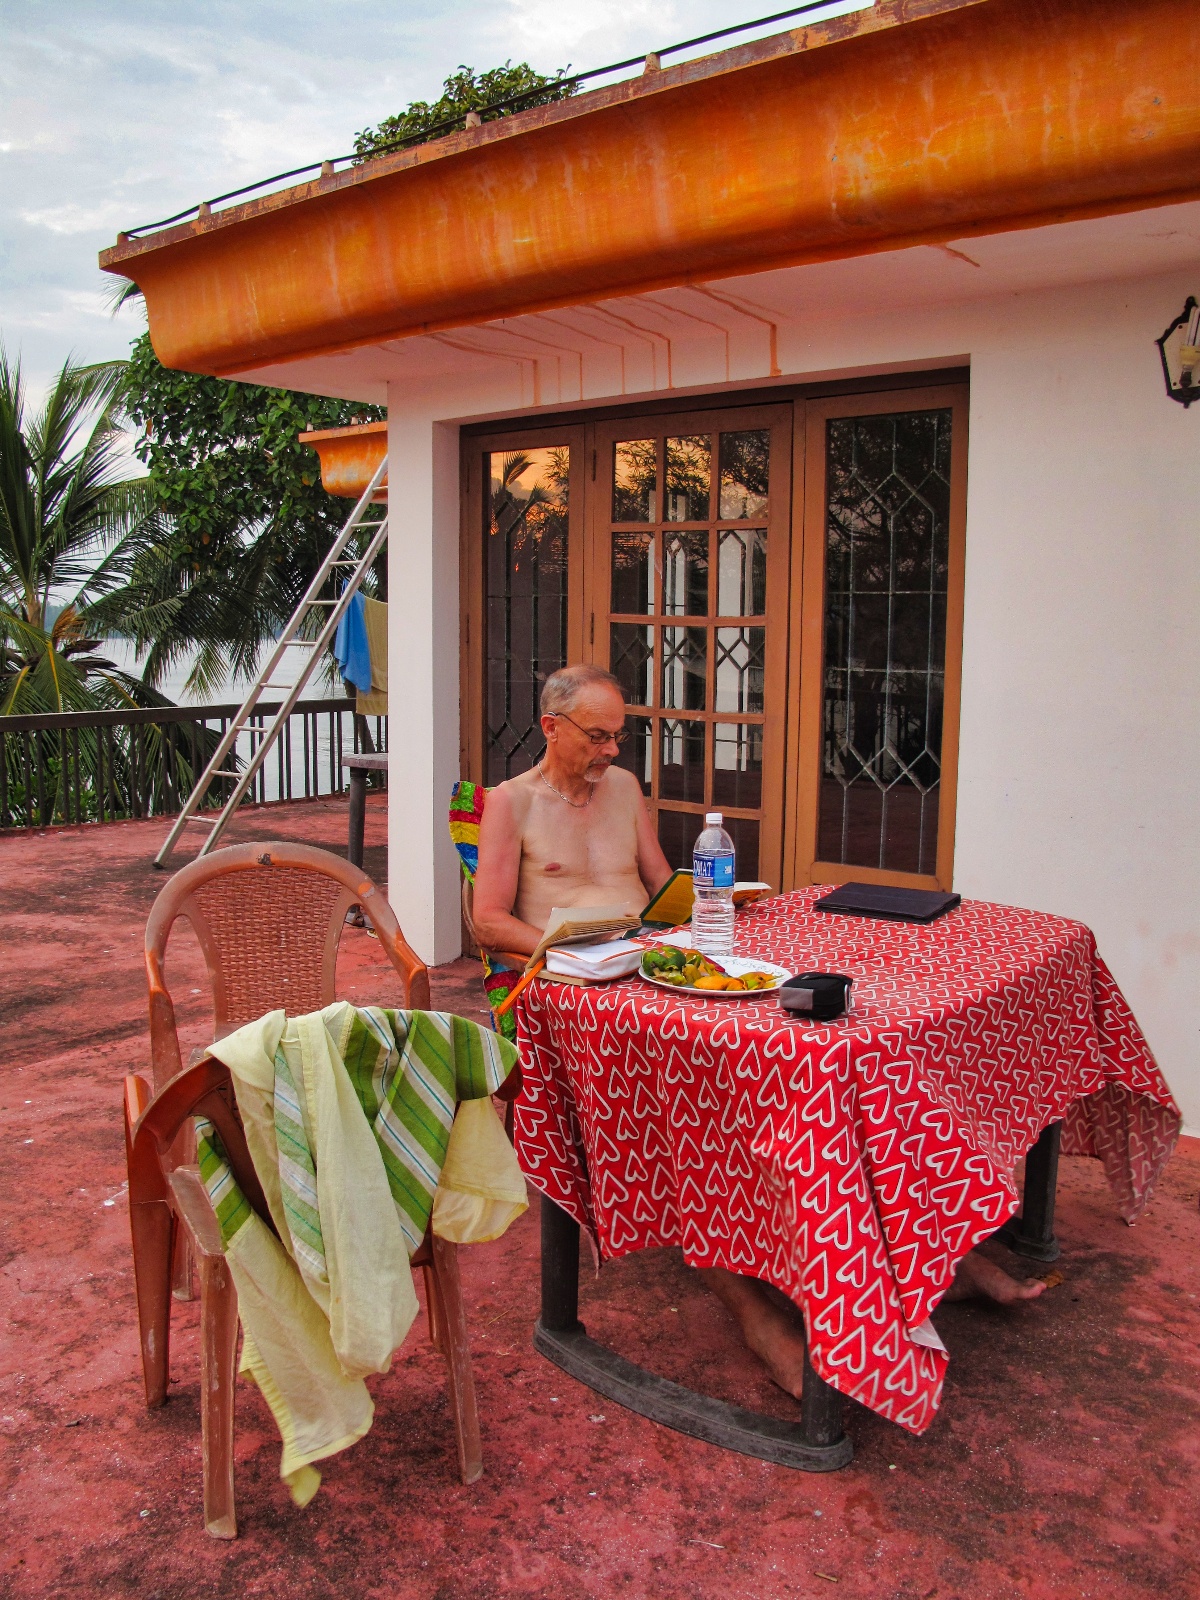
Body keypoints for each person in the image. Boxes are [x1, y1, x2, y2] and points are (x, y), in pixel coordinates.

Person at [473, 663, 1043, 1406]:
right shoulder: (507, 804)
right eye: (599, 736)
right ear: (552, 728)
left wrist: (711, 904)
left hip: (654, 973)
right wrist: (571, 955)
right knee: (678, 1128)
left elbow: (660, 888)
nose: (614, 750)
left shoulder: (621, 791)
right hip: (576, 996)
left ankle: (906, 1260)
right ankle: (756, 1316)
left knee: (799, 1073)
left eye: (621, 734)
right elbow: (487, 921)